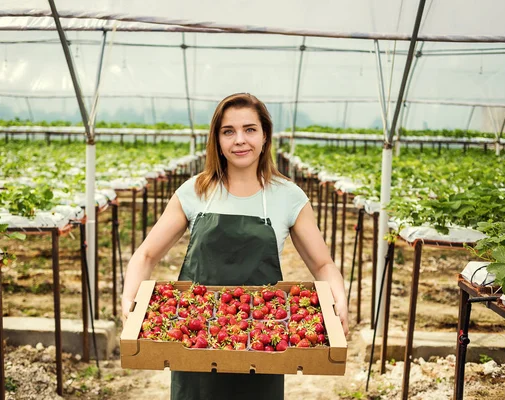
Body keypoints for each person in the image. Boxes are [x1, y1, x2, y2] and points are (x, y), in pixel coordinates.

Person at [121, 93, 349, 400]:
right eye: (229, 131)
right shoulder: (195, 191)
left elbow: (323, 265)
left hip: (263, 341)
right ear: (217, 139)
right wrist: (130, 298)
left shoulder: (288, 196)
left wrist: (338, 300)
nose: (240, 140)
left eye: (250, 129)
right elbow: (146, 254)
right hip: (195, 335)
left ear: (266, 135)